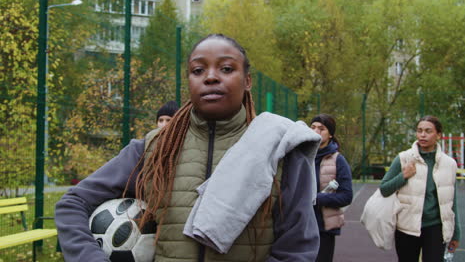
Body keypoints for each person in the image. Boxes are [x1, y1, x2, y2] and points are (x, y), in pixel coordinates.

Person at [55, 34, 321, 261]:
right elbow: (73, 203)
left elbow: (298, 248)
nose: (211, 77)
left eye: (227, 69)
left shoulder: (280, 149)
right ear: (189, 80)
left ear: (248, 81)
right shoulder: (154, 149)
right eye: (198, 70)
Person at [380, 115, 461, 262]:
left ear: (438, 135)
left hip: (436, 228)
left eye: (428, 131)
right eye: (419, 130)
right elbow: (384, 189)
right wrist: (403, 176)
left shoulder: (449, 164)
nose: (422, 135)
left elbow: (451, 201)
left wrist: (456, 234)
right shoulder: (403, 158)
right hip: (407, 227)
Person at [310, 114, 353, 262]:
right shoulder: (301, 156)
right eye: (313, 127)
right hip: (300, 225)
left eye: (321, 129)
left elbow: (347, 196)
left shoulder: (338, 160)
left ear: (330, 135)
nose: (316, 131)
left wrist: (318, 198)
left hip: (323, 228)